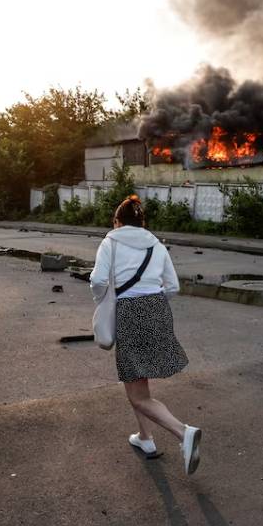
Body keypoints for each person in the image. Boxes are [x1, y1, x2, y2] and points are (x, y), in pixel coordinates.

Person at [90, 195, 202, 475]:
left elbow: (98, 280)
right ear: (142, 223)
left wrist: (104, 299)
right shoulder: (157, 245)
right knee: (138, 380)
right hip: (158, 309)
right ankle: (145, 438)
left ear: (117, 221)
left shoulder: (110, 242)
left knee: (137, 391)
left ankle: (183, 432)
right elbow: (173, 287)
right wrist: (151, 300)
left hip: (129, 312)